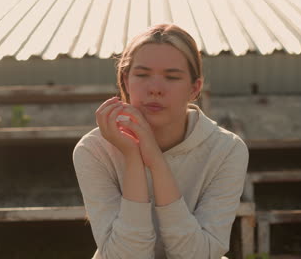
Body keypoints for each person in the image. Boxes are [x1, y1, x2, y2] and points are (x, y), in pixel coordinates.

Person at [73, 23, 249, 259]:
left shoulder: (227, 150)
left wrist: (156, 161)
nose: (155, 88)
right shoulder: (93, 150)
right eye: (142, 75)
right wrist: (133, 158)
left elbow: (198, 255)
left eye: (172, 77)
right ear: (125, 81)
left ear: (194, 88)